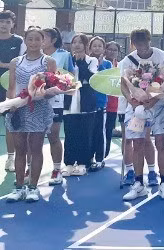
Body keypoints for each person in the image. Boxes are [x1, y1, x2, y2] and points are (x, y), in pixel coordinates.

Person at [4, 28, 58, 202]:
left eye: (37, 39)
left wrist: (41, 94)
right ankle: (19, 187)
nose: (33, 43)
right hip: (18, 109)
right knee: (20, 149)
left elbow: (52, 87)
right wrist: (11, 104)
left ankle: (33, 187)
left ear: (43, 41)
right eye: (30, 39)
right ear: (25, 41)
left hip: (39, 109)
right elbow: (12, 87)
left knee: (35, 148)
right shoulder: (15, 62)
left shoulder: (48, 61)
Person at [119, 29, 164, 201]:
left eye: (145, 43)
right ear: (133, 44)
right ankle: (138, 184)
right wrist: (131, 100)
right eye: (138, 44)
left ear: (150, 41)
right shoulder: (127, 60)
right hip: (136, 107)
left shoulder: (162, 56)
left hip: (158, 105)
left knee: (161, 142)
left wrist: (153, 100)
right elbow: (124, 84)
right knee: (137, 143)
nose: (142, 48)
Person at [62, 34, 99, 176]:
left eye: (80, 42)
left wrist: (80, 62)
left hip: (86, 101)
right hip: (69, 100)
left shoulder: (92, 60)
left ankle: (84, 163)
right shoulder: (67, 59)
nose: (77, 45)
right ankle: (69, 163)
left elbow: (90, 78)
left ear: (86, 45)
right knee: (70, 133)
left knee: (85, 133)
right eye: (74, 42)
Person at [42, 27, 74, 185]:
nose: (39, 41)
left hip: (55, 101)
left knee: (53, 135)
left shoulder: (64, 55)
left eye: (43, 37)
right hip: (35, 100)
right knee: (32, 138)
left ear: (53, 40)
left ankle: (56, 170)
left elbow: (71, 78)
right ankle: (30, 169)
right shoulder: (30, 56)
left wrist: (59, 84)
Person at [0, 10, 25, 173]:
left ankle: (10, 158)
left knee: (10, 123)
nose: (3, 25)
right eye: (1, 21)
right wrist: (7, 65)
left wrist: (5, 65)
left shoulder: (19, 41)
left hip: (10, 87)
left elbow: (22, 62)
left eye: (7, 22)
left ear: (13, 24)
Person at [88, 36, 110, 172]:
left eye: (99, 46)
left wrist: (100, 64)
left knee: (99, 132)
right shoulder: (86, 61)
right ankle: (88, 157)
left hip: (101, 102)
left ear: (103, 48)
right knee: (88, 132)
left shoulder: (107, 64)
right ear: (90, 48)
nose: (97, 48)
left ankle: (99, 159)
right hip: (86, 103)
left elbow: (106, 79)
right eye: (94, 46)